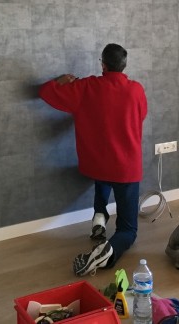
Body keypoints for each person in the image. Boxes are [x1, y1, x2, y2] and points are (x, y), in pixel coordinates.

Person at [39, 43, 148, 276]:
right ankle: (107, 252)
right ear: (124, 65)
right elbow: (141, 115)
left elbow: (46, 92)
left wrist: (60, 81)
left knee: (104, 175)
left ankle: (99, 216)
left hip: (98, 165)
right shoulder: (136, 90)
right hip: (127, 168)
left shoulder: (86, 86)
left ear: (103, 65)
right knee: (128, 231)